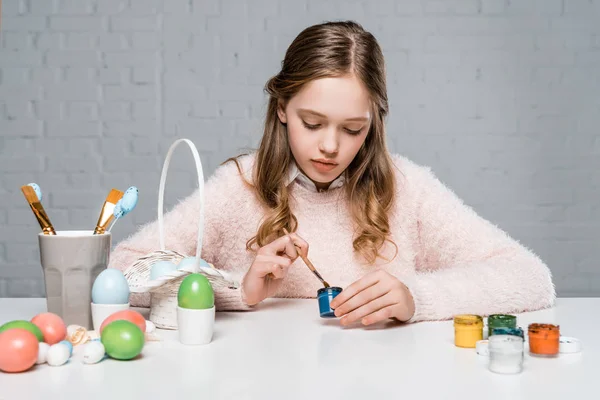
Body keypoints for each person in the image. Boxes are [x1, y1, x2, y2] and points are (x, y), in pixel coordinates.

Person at [107, 20, 555, 326]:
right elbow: (121, 273)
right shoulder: (237, 186)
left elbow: (531, 278)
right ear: (281, 108)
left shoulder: (409, 189)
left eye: (352, 129)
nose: (329, 146)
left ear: (373, 123)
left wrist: (418, 298)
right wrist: (235, 288)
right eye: (313, 123)